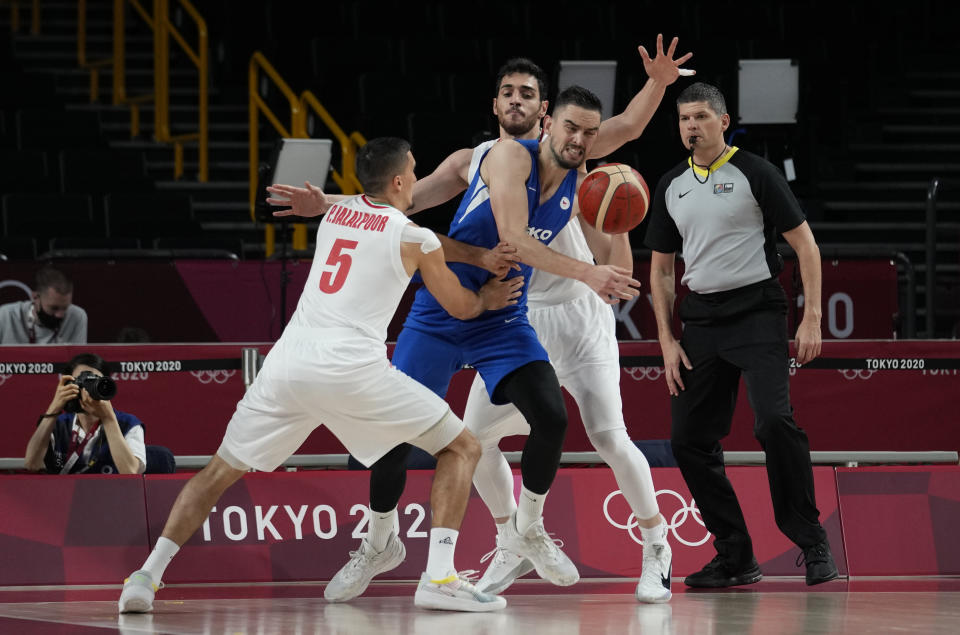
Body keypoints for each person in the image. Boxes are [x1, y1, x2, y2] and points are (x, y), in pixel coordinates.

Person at [267, 36, 691, 604]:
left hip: (529, 314)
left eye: (528, 94)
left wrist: (659, 83)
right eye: (507, 92)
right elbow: (399, 202)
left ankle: (584, 539)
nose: (517, 101)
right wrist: (330, 206)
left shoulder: (573, 149)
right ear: (495, 104)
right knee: (430, 437)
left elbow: (630, 126)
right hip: (473, 306)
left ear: (545, 111)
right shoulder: (480, 160)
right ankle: (415, 542)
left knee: (580, 427)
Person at [117, 137, 523, 614]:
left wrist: (472, 256)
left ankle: (145, 578)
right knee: (462, 447)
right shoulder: (415, 237)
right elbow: (458, 305)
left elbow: (387, 222)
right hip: (352, 371)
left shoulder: (337, 214)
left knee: (217, 472)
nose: (417, 177)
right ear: (397, 181)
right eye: (413, 170)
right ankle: (439, 577)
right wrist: (488, 298)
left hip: (287, 366)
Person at [645, 82, 839, 588]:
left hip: (756, 312)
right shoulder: (670, 184)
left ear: (723, 122)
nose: (691, 126)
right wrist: (667, 339)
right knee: (688, 441)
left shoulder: (756, 172)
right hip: (701, 321)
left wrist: (812, 316)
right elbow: (662, 272)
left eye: (701, 117)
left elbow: (807, 246)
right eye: (684, 118)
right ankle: (734, 555)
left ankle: (811, 538)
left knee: (774, 421)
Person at [24, 353, 146, 475]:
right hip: (62, 493)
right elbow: (32, 464)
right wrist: (54, 407)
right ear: (67, 386)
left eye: (94, 381)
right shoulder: (58, 424)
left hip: (112, 493)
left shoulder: (129, 424)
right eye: (81, 381)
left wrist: (108, 419)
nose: (87, 389)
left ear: (106, 385)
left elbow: (130, 472)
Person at [0, 265, 87, 344]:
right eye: (54, 308)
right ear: (35, 297)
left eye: (65, 308)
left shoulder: (77, 316)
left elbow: (78, 360)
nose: (60, 315)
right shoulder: (6, 316)